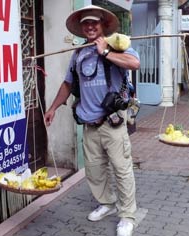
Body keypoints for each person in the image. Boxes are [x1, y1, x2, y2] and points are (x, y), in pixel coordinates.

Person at [44, 5, 140, 236]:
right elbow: (68, 84)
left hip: (113, 122)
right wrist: (54, 107)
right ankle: (106, 203)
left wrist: (105, 52)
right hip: (89, 124)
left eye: (94, 23)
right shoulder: (78, 54)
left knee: (122, 169)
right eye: (85, 23)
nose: (89, 26)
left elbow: (134, 64)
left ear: (103, 25)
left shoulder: (117, 45)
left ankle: (127, 216)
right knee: (95, 171)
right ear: (81, 28)